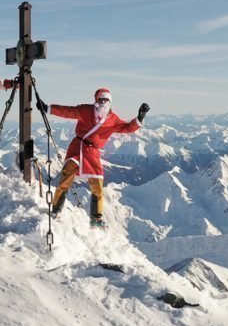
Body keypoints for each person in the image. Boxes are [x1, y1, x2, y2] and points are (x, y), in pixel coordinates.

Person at [37, 88, 149, 227]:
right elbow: (68, 111)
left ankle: (96, 219)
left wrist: (139, 118)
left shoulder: (112, 119)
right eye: (101, 99)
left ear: (110, 101)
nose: (103, 102)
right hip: (78, 147)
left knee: (97, 184)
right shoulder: (86, 110)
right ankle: (56, 210)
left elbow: (126, 128)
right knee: (66, 177)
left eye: (106, 99)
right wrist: (48, 108)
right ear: (96, 100)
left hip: (93, 152)